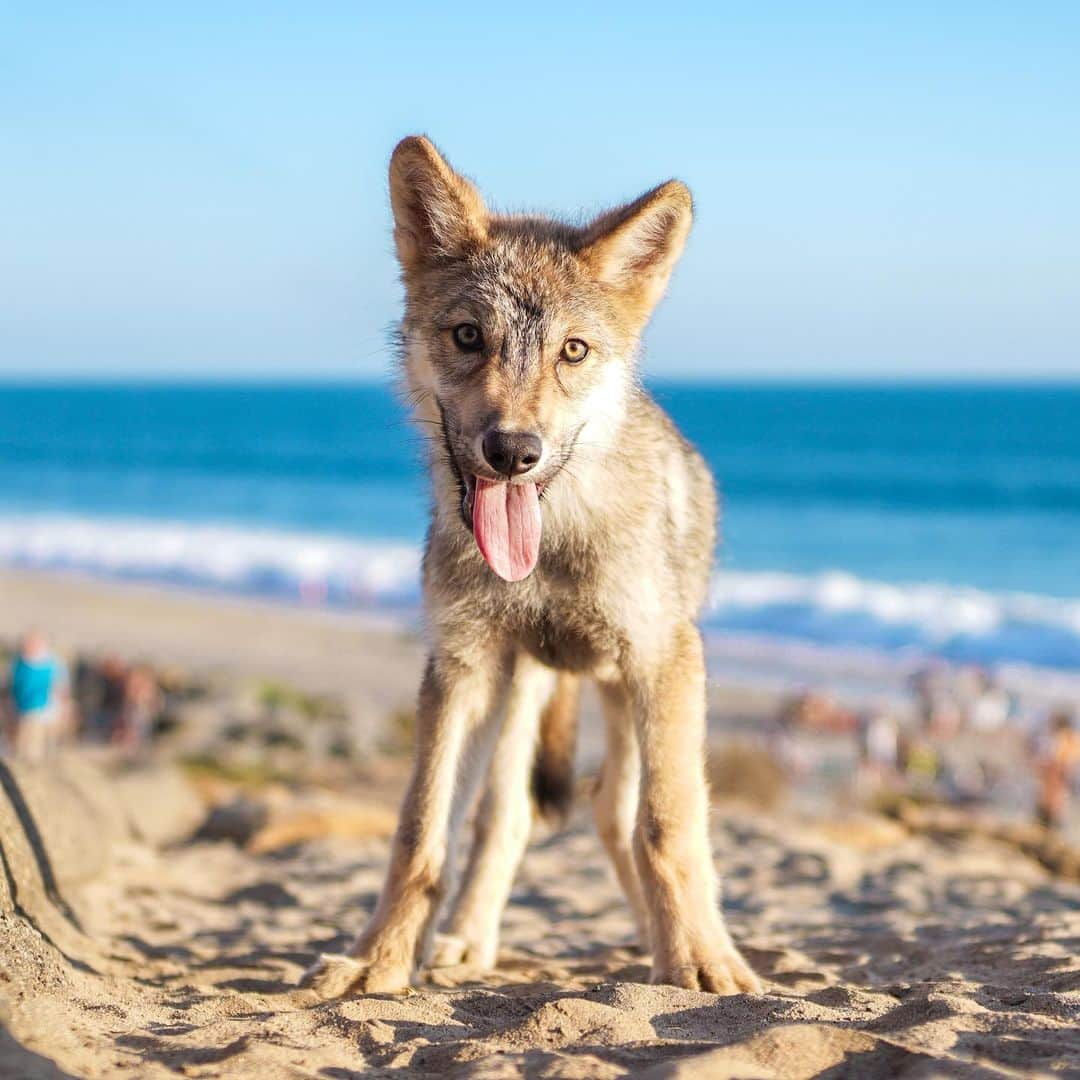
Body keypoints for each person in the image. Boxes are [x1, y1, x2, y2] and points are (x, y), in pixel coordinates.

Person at [8, 630, 67, 764]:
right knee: (20, 739)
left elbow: (60, 686)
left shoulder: (51, 664)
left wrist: (60, 706)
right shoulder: (19, 663)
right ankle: (23, 764)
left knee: (35, 739)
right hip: (21, 705)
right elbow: (13, 685)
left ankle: (33, 766)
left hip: (42, 706)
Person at [1034, 711, 1080, 831]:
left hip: (1057, 776)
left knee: (1052, 808)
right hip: (1056, 778)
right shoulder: (1067, 738)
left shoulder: (1067, 739)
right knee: (1050, 807)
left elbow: (1061, 761)